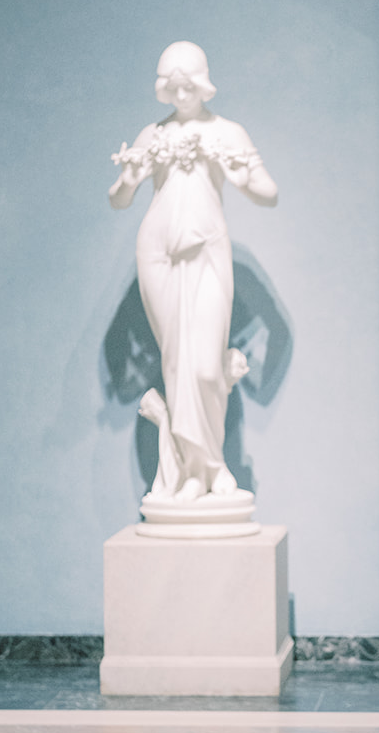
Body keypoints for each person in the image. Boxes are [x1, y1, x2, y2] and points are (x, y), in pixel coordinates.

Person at [109, 42, 277, 506]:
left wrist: (238, 170)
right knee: (176, 364)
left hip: (205, 250)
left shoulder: (226, 132)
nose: (181, 92)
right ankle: (188, 472)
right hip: (158, 252)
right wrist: (131, 174)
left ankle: (214, 464)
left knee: (205, 366)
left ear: (203, 82)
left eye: (189, 83)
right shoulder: (153, 133)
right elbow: (119, 198)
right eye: (172, 85)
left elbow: (267, 192)